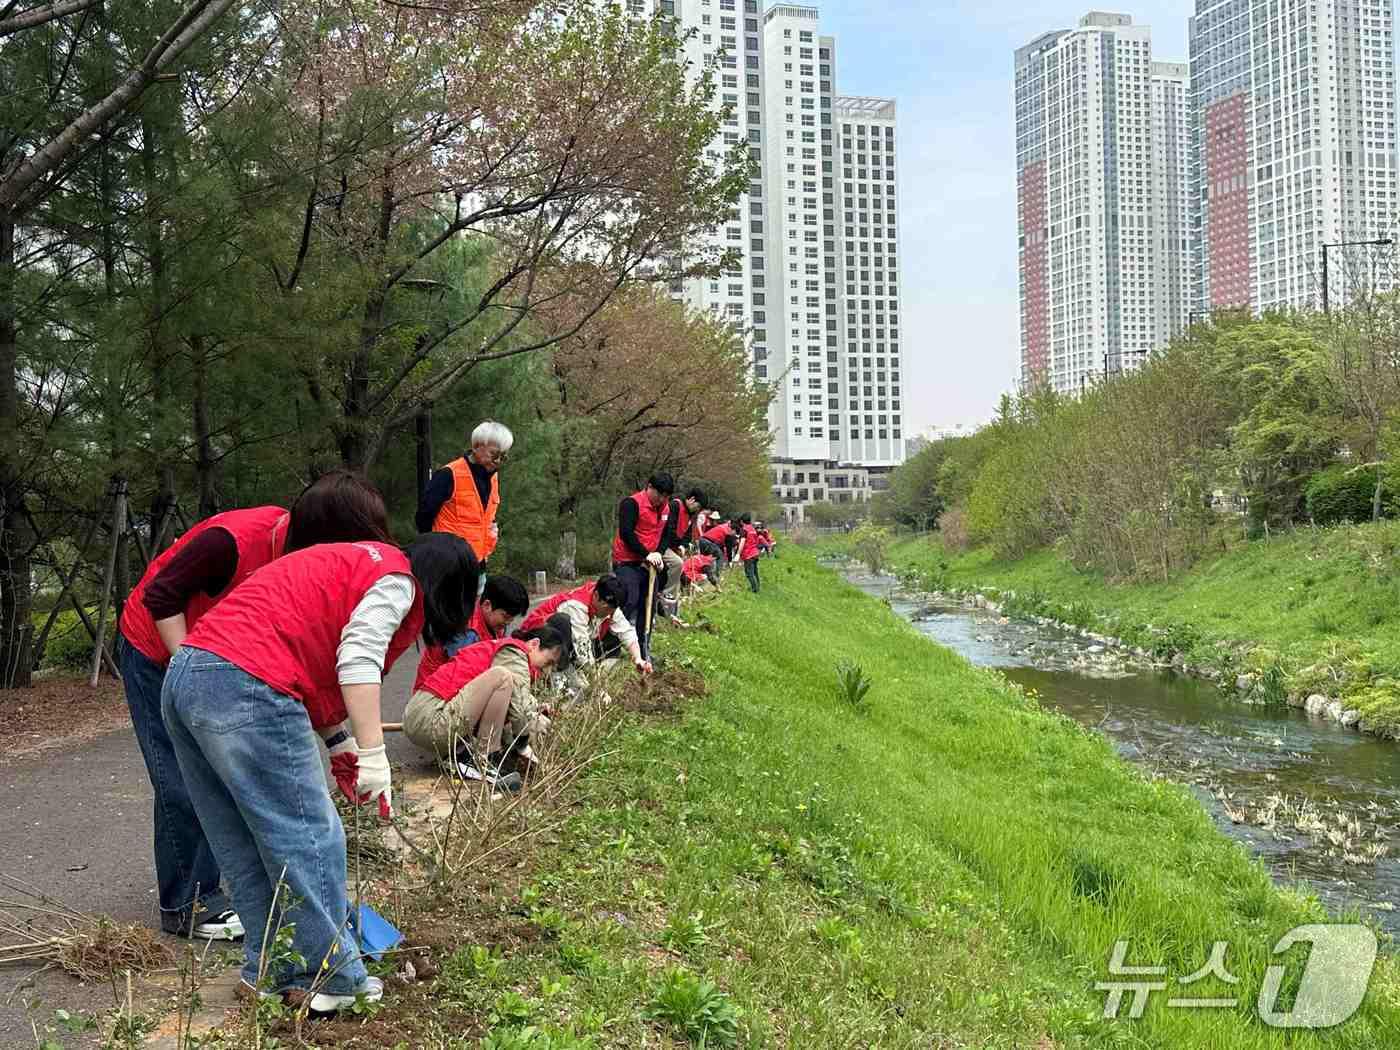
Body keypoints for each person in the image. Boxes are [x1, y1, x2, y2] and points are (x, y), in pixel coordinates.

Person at [162, 533, 479, 1012]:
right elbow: (357, 658)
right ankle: (333, 977)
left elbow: (304, 646)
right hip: (247, 681)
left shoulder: (350, 562)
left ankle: (270, 970)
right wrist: (375, 754)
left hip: (188, 676)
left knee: (240, 840)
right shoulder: (396, 581)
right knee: (309, 837)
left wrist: (340, 744)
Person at [117, 470, 391, 942]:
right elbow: (162, 594)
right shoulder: (233, 542)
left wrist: (337, 739)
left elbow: (296, 660)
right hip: (158, 653)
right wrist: (193, 681)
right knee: (181, 780)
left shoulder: (307, 565)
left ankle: (247, 896)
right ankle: (189, 903)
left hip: (215, 663)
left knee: (234, 781)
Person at [403, 618, 571, 786]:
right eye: (548, 662)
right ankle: (481, 759)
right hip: (429, 716)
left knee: (507, 684)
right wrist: (523, 744)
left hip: (426, 714)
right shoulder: (515, 652)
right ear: (534, 644)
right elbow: (519, 708)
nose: (547, 671)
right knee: (502, 677)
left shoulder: (506, 652)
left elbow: (514, 706)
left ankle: (465, 756)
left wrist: (536, 710)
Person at [416, 419, 512, 590]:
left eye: (504, 456)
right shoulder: (448, 475)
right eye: (494, 454)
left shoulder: (493, 478)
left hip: (478, 566)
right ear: (476, 447)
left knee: (472, 616)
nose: (499, 461)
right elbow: (423, 518)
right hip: (447, 566)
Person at [516, 573, 650, 674]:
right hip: (538, 639)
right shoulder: (576, 606)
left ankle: (596, 670)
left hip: (575, 638)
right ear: (596, 596)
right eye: (607, 609)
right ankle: (559, 673)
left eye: (612, 610)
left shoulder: (608, 603)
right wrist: (596, 684)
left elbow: (626, 632)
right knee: (562, 622)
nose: (609, 613)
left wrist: (638, 659)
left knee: (614, 634)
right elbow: (582, 647)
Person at [610, 472, 672, 658]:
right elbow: (627, 534)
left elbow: (666, 534)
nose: (661, 499)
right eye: (658, 494)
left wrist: (658, 554)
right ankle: (611, 647)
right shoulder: (631, 504)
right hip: (627, 561)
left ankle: (643, 651)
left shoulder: (666, 508)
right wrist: (646, 555)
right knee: (629, 599)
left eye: (665, 496)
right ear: (649, 487)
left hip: (650, 563)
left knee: (648, 606)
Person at [660, 488, 705, 625]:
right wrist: (678, 545)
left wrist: (683, 546)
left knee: (681, 568)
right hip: (662, 545)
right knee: (677, 563)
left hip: (674, 547)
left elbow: (687, 535)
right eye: (697, 506)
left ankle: (674, 611)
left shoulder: (690, 515)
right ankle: (666, 594)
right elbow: (669, 530)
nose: (697, 510)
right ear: (691, 499)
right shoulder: (675, 506)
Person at [739, 513, 762, 594]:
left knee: (749, 573)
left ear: (742, 521)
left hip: (748, 554)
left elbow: (742, 542)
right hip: (755, 553)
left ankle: (754, 589)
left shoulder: (744, 529)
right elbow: (756, 541)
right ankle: (758, 586)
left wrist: (738, 553)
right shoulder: (752, 529)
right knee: (755, 572)